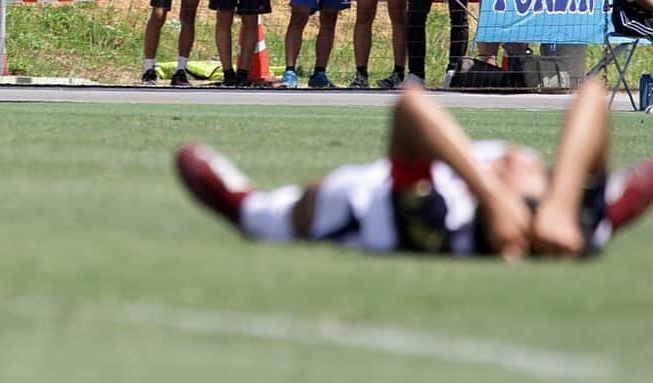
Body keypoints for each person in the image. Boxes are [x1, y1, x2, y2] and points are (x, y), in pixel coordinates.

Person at [176, 79, 653, 260]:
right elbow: (593, 94)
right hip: (485, 191)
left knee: (313, 199)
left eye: (517, 175)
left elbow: (411, 105)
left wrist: (494, 196)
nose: (517, 158)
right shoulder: (574, 221)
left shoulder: (438, 228)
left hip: (359, 210)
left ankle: (247, 208)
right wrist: (562, 202)